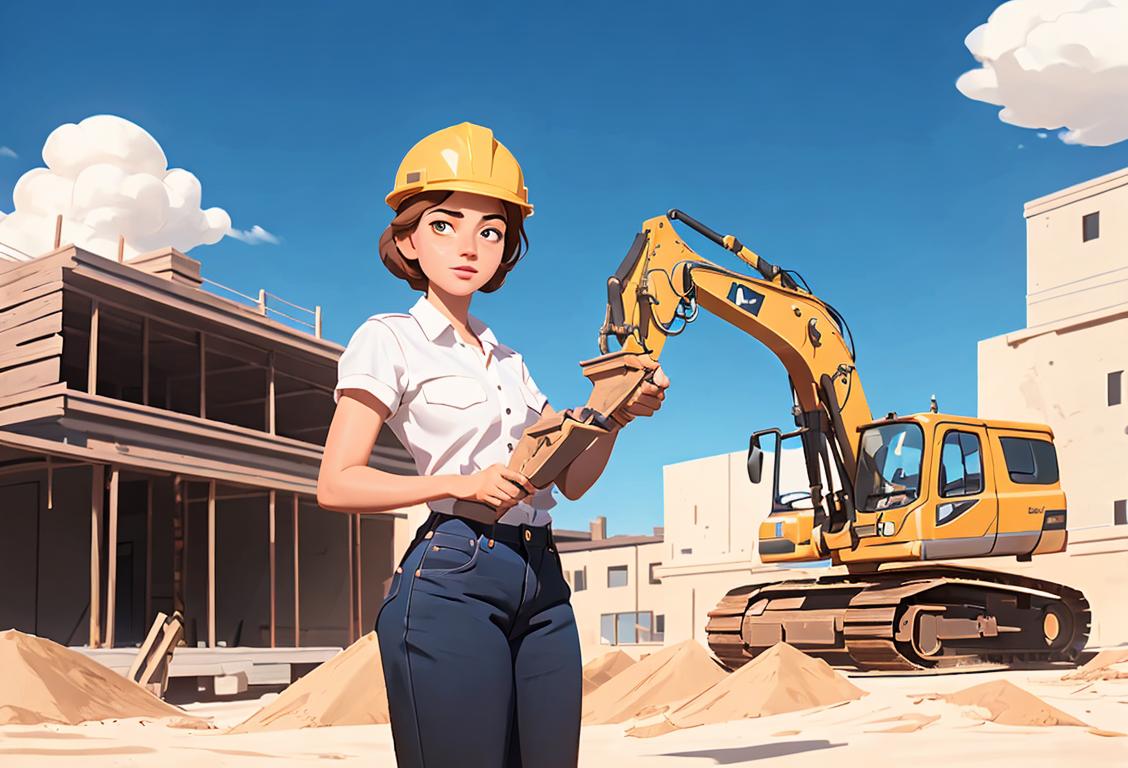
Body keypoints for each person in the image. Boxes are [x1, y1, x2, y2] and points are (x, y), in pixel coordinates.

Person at [316, 122, 669, 768]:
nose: (470, 246)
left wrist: (616, 414)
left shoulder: (510, 360)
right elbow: (336, 481)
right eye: (446, 224)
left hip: (543, 583)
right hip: (454, 576)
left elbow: (570, 482)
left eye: (492, 231)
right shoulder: (389, 338)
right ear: (407, 238)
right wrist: (457, 483)